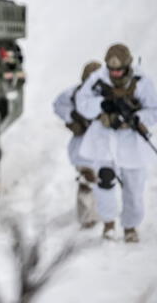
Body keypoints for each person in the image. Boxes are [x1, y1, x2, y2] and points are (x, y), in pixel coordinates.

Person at [75, 44, 157, 242]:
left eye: (119, 70)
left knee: (135, 188)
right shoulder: (98, 79)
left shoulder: (142, 82)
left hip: (131, 142)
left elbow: (153, 110)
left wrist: (136, 119)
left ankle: (130, 226)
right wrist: (102, 105)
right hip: (105, 139)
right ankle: (108, 223)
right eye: (112, 70)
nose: (115, 73)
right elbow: (83, 103)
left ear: (128, 66)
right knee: (105, 180)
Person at [52, 61, 101, 229]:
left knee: (103, 183)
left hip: (103, 149)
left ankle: (102, 217)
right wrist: (71, 117)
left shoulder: (108, 96)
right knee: (87, 182)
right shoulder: (74, 94)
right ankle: (88, 220)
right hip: (82, 149)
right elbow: (59, 105)